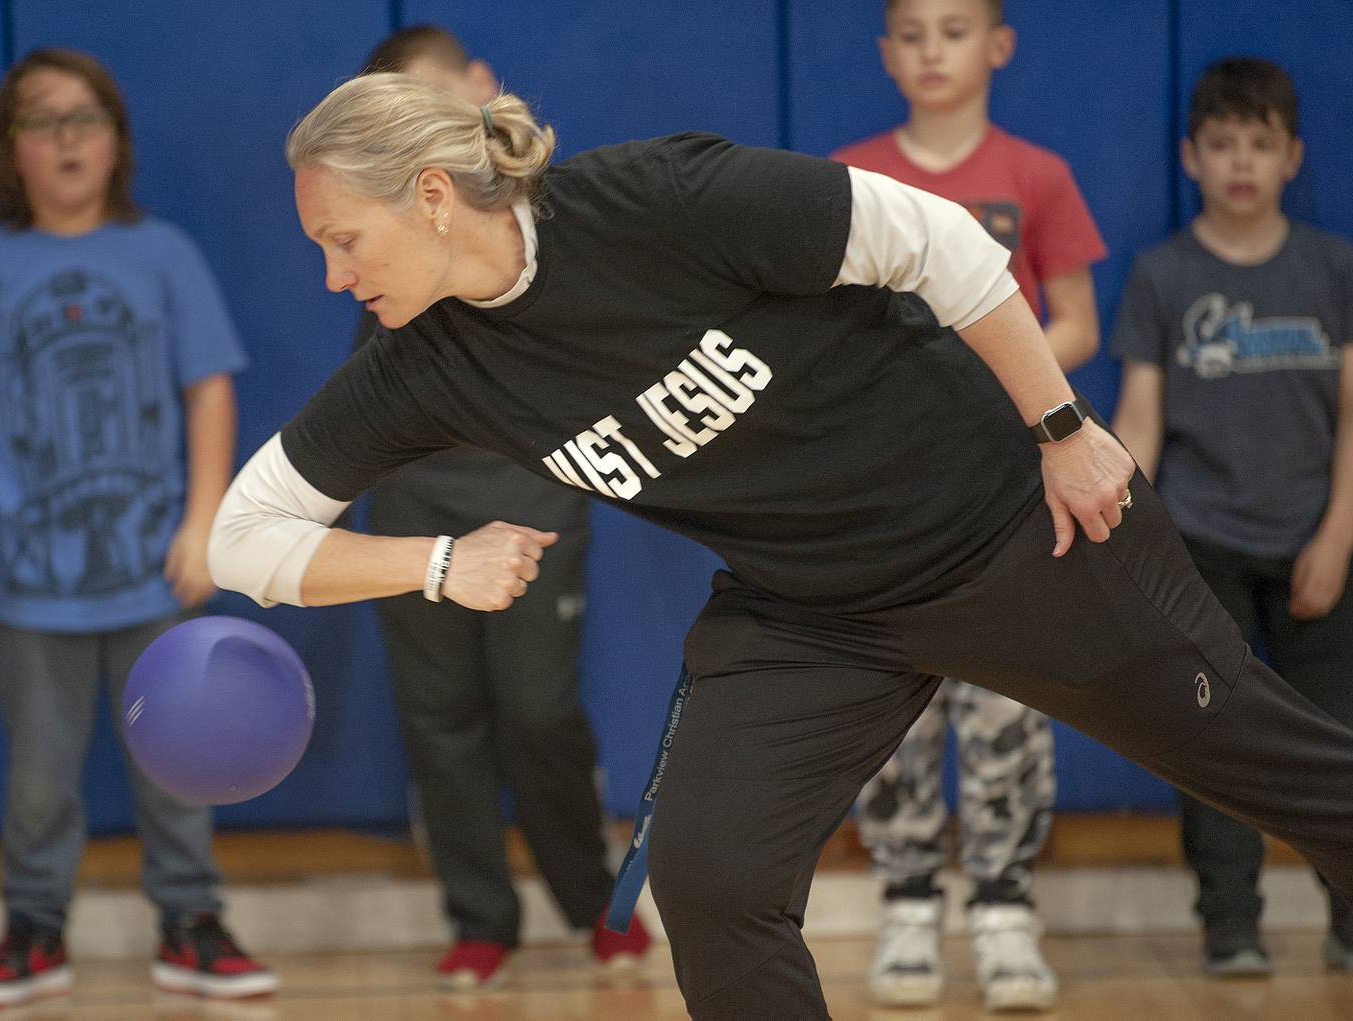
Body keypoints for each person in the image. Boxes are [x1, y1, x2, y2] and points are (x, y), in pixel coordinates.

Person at [208, 72, 1353, 1021]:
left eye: (344, 238)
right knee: (709, 879)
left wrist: (1061, 427)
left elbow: (933, 236)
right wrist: (437, 564)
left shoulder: (650, 199)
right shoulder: (423, 366)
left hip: (1009, 523)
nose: (333, 274)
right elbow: (242, 541)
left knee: (1300, 785)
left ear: (433, 194)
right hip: (811, 609)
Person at [0, 48, 275, 1007]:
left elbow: (208, 394)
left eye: (86, 117)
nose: (67, 138)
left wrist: (205, 522)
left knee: (179, 760)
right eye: (43, 119)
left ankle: (190, 921)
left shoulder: (165, 255)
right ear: (10, 148)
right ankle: (33, 928)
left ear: (118, 140)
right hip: (33, 582)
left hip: (160, 571)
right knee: (38, 774)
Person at [352, 26, 648, 989]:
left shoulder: (537, 212)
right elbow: (367, 388)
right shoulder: (377, 225)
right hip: (412, 504)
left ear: (482, 88)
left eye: (433, 101)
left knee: (540, 710)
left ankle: (593, 902)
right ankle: (480, 916)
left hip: (531, 492)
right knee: (438, 715)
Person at [830, 0, 1105, 1010]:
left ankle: (1002, 903)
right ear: (886, 53)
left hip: (1003, 489)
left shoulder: (1036, 175)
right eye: (912, 31)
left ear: (998, 46)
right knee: (894, 699)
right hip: (886, 495)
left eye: (955, 29)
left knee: (1008, 703)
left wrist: (989, 353)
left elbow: (1074, 319)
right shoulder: (849, 173)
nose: (932, 49)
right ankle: (905, 899)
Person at [1110, 56, 1353, 979]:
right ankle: (1230, 924)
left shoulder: (1334, 268)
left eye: (1261, 144)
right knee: (1213, 743)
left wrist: (1337, 534)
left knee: (1335, 742)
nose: (1241, 162)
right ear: (1190, 157)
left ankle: (1348, 922)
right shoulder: (1163, 275)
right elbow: (1138, 420)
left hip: (1318, 540)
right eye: (1222, 144)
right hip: (1199, 542)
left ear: (1293, 157)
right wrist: (1128, 534)